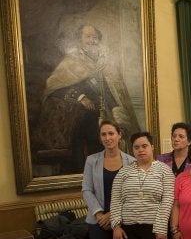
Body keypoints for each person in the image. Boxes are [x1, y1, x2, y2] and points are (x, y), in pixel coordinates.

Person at [34, 24, 141, 173]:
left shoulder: (105, 62)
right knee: (85, 149)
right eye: (87, 36)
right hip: (79, 117)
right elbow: (54, 85)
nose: (92, 40)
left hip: (104, 116)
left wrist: (116, 108)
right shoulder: (72, 60)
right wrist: (80, 97)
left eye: (94, 37)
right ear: (80, 39)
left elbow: (113, 89)